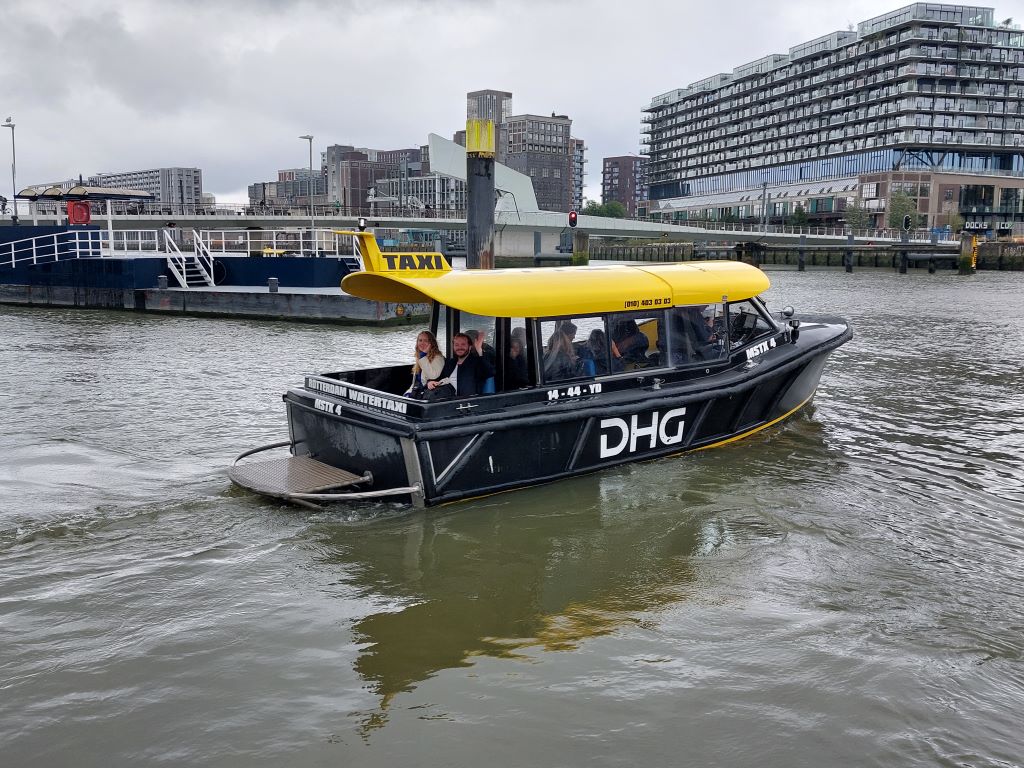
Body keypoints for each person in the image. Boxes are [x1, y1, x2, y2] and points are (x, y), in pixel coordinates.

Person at [427, 332, 494, 398]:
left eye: (463, 344)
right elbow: (438, 376)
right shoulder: (450, 363)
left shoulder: (476, 363)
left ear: (470, 347)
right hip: (445, 398)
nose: (460, 347)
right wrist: (430, 382)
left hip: (464, 403)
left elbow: (489, 372)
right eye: (456, 345)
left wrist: (479, 350)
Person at [405, 330, 445, 397]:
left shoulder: (438, 358)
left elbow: (433, 376)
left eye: (426, 341)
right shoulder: (421, 358)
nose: (422, 343)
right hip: (418, 392)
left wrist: (422, 355)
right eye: (420, 340)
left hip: (428, 394)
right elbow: (415, 383)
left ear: (431, 343)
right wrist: (408, 393)